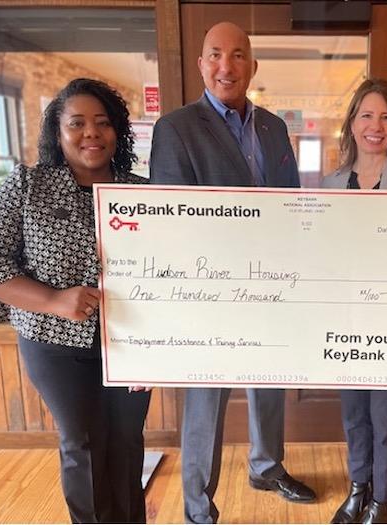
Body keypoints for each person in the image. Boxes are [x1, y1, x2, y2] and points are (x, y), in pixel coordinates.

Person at [0, 78, 151, 524]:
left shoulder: (142, 190)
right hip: (53, 344)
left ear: (117, 132)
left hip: (131, 343)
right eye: (77, 123)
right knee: (81, 443)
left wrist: (161, 348)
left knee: (126, 440)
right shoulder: (26, 186)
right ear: (58, 131)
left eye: (103, 124)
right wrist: (52, 299)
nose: (91, 133)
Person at [149, 21, 316, 524]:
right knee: (206, 397)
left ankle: (266, 466)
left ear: (252, 66)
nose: (227, 66)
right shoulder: (176, 128)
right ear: (202, 64)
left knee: (269, 379)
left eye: (238, 55)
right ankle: (199, 507)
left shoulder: (272, 126)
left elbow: (290, 203)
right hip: (209, 291)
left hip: (271, 282)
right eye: (216, 55)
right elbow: (171, 217)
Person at [321, 78, 387, 524]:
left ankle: (384, 498)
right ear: (351, 123)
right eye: (367, 114)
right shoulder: (330, 183)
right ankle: (358, 486)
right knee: (353, 412)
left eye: (386, 116)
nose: (376, 124)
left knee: (385, 415)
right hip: (346, 317)